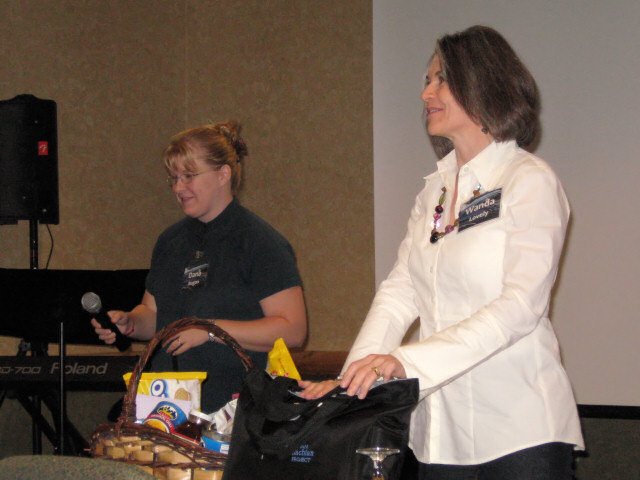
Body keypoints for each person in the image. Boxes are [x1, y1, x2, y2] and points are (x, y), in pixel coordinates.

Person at [300, 25, 584, 479]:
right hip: (439, 435)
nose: (425, 93)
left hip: (520, 431)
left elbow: (520, 306)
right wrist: (351, 380)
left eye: (440, 79)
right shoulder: (435, 191)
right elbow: (400, 292)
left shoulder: (529, 180)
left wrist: (406, 361)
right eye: (426, 80)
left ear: (482, 83)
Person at [93, 121, 307, 412]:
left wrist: (210, 330)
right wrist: (129, 322)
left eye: (189, 176)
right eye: (173, 178)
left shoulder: (259, 241)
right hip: (167, 404)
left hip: (232, 409)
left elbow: (293, 330)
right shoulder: (170, 241)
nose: (178, 187)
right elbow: (154, 314)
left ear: (223, 174)